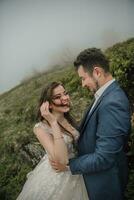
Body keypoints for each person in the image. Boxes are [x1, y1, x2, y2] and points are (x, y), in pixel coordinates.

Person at [50, 48, 131, 200]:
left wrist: (68, 165)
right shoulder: (103, 95)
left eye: (83, 78)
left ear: (97, 72)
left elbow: (104, 158)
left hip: (105, 184)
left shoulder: (112, 102)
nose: (82, 84)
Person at [17, 82, 88, 200]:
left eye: (65, 93)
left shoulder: (67, 118)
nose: (65, 98)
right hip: (59, 176)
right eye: (58, 97)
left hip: (76, 168)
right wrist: (53, 123)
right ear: (48, 104)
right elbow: (62, 160)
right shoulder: (40, 128)